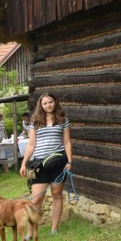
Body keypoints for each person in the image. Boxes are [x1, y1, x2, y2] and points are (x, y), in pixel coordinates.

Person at [19, 93, 75, 233]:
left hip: (58, 162)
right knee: (36, 199)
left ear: (55, 102)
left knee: (57, 194)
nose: (48, 105)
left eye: (50, 102)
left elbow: (67, 142)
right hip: (39, 163)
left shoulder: (63, 120)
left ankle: (54, 228)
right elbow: (31, 144)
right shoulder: (35, 121)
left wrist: (69, 161)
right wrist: (24, 163)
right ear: (41, 105)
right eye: (45, 103)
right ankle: (30, 233)